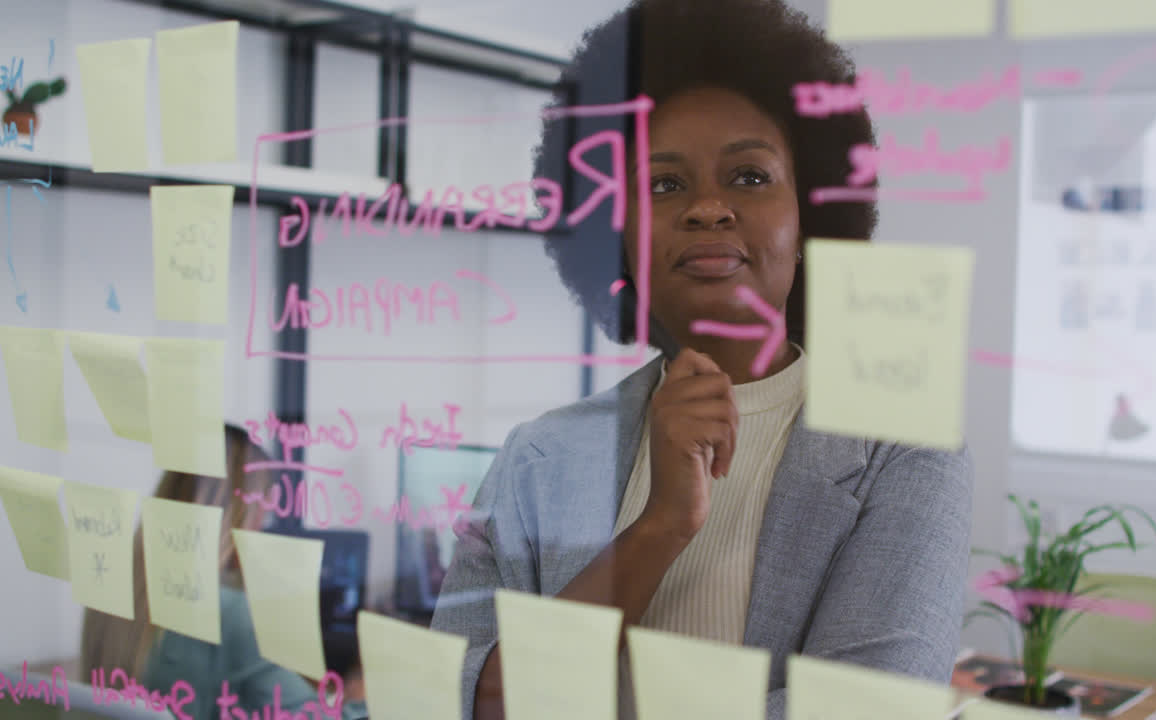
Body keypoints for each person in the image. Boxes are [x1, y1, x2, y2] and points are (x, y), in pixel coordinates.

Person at [430, 1, 974, 718]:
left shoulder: (902, 448)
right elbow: (466, 703)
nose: (708, 208)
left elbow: (869, 709)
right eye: (665, 184)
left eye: (750, 176)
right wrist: (660, 527)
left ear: (807, 216)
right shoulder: (538, 455)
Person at [79, 425, 367, 720]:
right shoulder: (228, 616)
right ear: (239, 514)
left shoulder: (113, 588)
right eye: (260, 512)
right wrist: (359, 699)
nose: (260, 527)